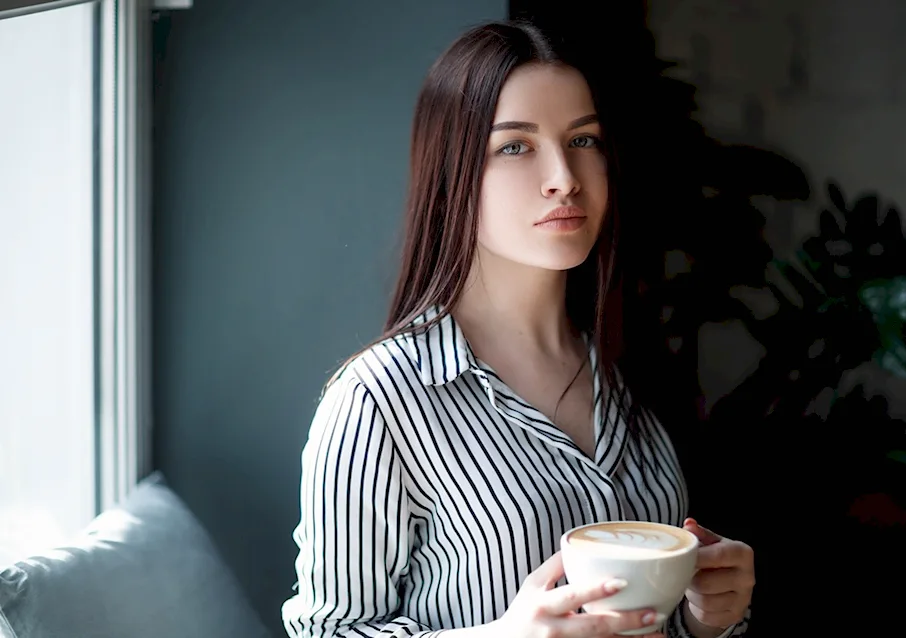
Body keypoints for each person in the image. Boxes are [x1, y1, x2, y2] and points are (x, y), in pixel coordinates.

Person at [281, 20, 754, 638]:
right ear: (452, 175)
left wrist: (709, 616)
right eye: (515, 146)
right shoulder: (380, 399)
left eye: (584, 140)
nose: (564, 175)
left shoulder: (631, 366)